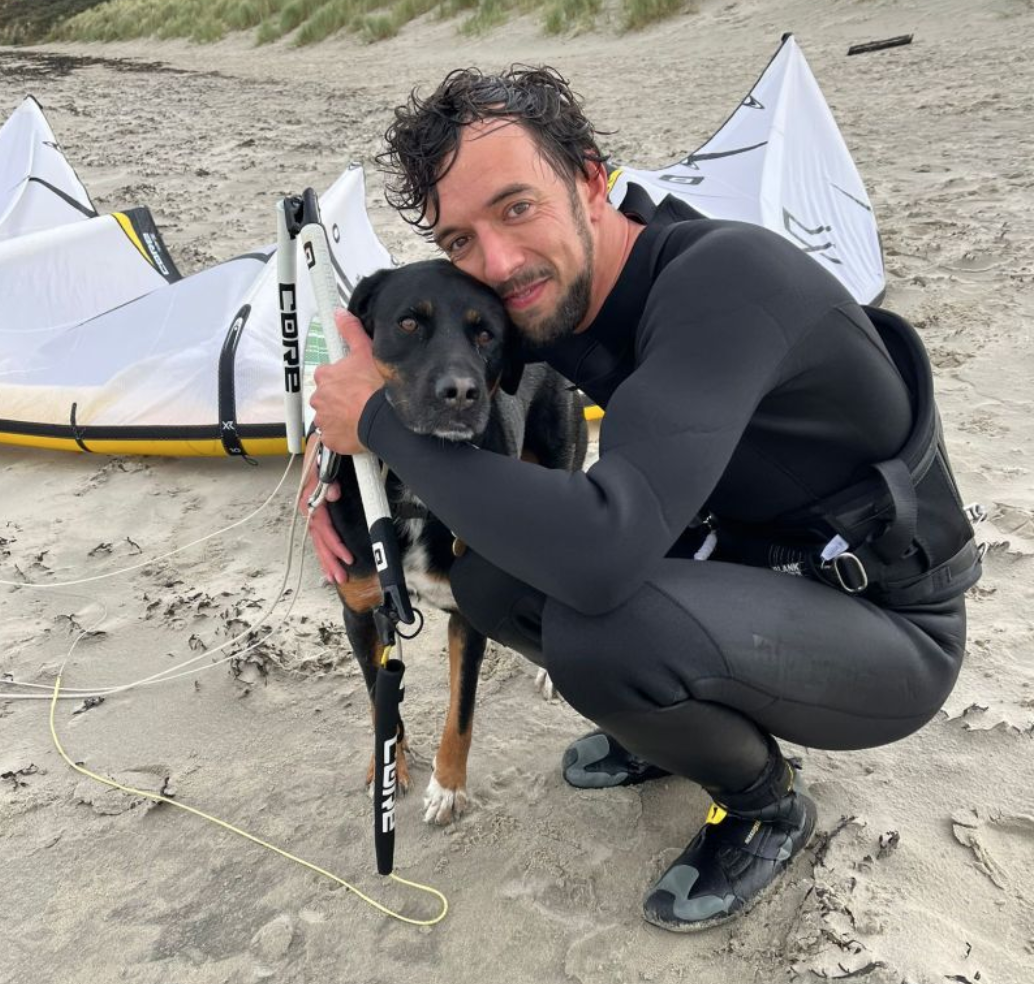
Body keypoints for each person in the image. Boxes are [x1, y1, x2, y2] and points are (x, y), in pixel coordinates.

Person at [306, 66, 980, 932]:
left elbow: (600, 552)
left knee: (601, 628)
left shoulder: (727, 279)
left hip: (889, 629)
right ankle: (667, 725)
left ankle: (763, 805)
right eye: (461, 238)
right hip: (752, 573)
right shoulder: (562, 300)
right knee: (490, 580)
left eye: (517, 207)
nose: (497, 263)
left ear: (591, 179)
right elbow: (438, 389)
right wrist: (335, 470)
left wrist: (375, 426)